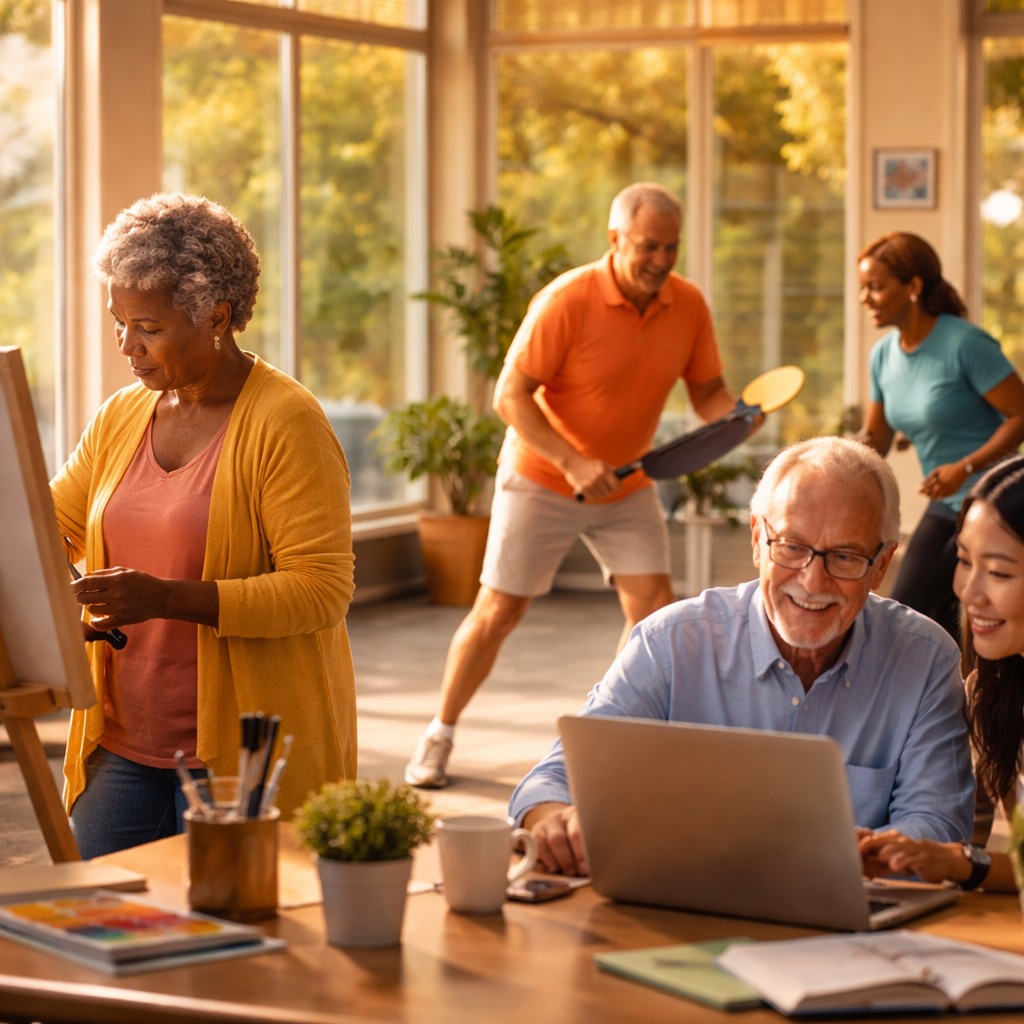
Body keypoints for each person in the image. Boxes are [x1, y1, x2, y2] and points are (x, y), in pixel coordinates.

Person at [509, 437, 974, 877]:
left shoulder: (926, 660)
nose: (813, 582)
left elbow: (937, 827)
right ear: (758, 540)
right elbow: (552, 781)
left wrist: (880, 858)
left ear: (882, 564)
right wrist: (553, 818)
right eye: (791, 546)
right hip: (679, 909)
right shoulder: (670, 643)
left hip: (852, 926)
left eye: (845, 557)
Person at [405, 182, 741, 789]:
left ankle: (607, 731)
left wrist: (742, 413)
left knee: (655, 608)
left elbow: (707, 393)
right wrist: (572, 460)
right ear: (615, 240)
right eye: (648, 247)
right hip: (540, 477)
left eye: (671, 247)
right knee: (499, 611)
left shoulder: (687, 305)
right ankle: (440, 731)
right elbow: (508, 396)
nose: (662, 260)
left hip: (628, 481)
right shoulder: (567, 300)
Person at [52, 193, 356, 858]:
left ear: (216, 318)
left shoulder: (287, 423)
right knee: (104, 934)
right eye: (118, 322)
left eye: (148, 327)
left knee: (239, 946)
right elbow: (53, 525)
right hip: (124, 743)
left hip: (241, 758)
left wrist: (164, 599)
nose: (127, 346)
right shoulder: (122, 417)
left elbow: (320, 589)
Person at [860, 457, 1024, 893]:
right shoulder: (992, 692)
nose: (969, 593)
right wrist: (948, 859)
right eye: (965, 561)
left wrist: (961, 861)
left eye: (999, 573)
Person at [857, 232, 1024, 640]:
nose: (865, 298)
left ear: (913, 287)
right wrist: (828, 457)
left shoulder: (965, 343)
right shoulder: (883, 355)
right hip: (944, 504)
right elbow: (876, 437)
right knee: (907, 610)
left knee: (959, 612)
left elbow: (1021, 414)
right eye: (863, 287)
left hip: (991, 501)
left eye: (876, 287)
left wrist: (964, 466)